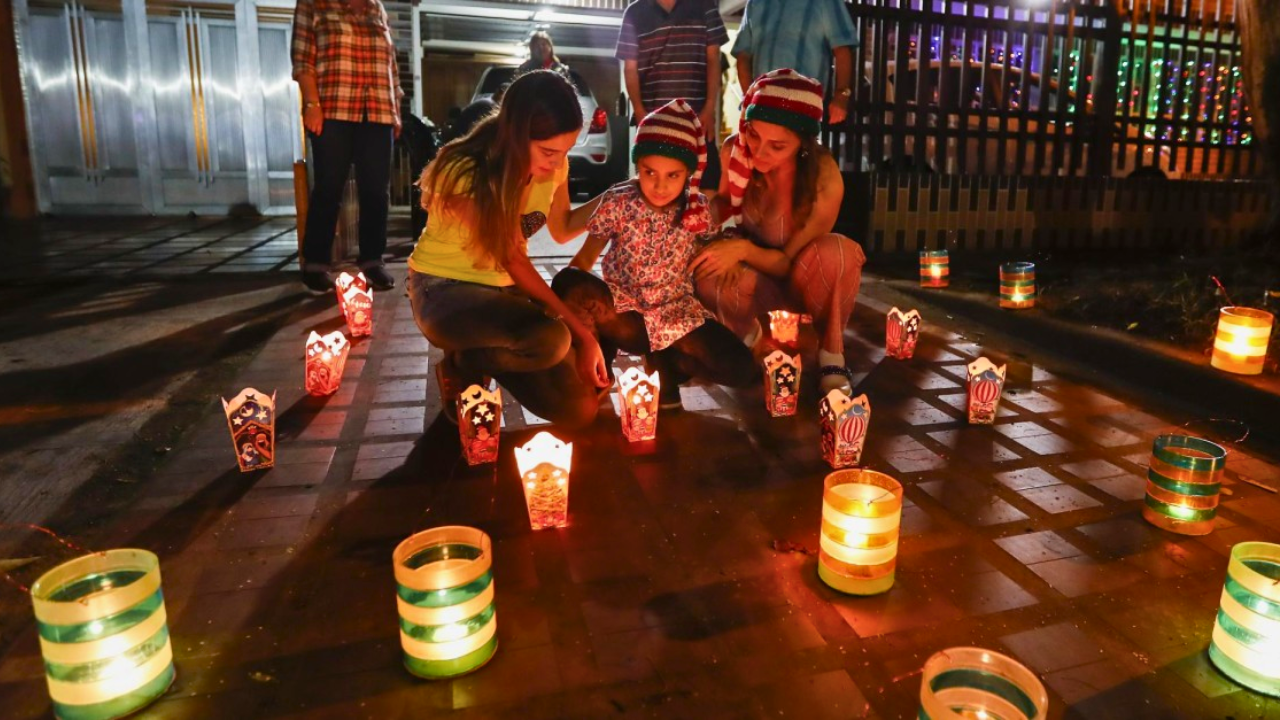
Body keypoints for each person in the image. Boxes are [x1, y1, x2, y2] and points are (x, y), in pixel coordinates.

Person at [408, 70, 609, 429]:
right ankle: (462, 365)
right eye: (548, 151)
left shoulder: (553, 167)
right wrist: (579, 331)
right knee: (552, 339)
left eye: (564, 151)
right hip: (445, 290)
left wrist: (613, 198)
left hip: (503, 295)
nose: (557, 162)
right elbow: (512, 258)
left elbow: (561, 229)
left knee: (580, 408)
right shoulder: (464, 169)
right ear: (517, 134)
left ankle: (480, 359)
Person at [553, 100, 756, 410]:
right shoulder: (619, 200)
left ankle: (670, 365)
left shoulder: (697, 208)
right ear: (638, 166)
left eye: (672, 176)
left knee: (742, 369)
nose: (660, 186)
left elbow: (715, 254)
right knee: (569, 283)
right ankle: (598, 366)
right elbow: (582, 261)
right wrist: (576, 322)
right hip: (625, 314)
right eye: (650, 172)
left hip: (676, 318)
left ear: (688, 172)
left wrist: (736, 259)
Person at [692, 69, 866, 393]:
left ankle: (832, 353)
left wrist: (742, 251)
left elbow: (788, 262)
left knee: (838, 252)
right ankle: (751, 341)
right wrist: (693, 212)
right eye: (755, 135)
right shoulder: (737, 152)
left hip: (804, 278)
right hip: (759, 276)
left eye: (777, 146)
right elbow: (725, 203)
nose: (758, 152)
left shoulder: (823, 179)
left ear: (802, 143)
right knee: (707, 267)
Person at [291, 0, 402, 292]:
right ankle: (315, 263)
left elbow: (391, 63)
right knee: (328, 187)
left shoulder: (376, 7)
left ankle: (371, 260)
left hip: (378, 109)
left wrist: (396, 110)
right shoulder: (314, 4)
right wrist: (311, 103)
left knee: (376, 191)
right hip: (333, 106)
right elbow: (303, 59)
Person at [615, 0, 728, 190]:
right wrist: (641, 112)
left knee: (707, 186)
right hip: (654, 120)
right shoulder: (634, 13)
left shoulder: (705, 6)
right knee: (655, 189)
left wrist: (710, 107)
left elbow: (713, 59)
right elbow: (630, 68)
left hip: (698, 119)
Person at [731, 0, 858, 125]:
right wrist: (748, 99)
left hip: (801, 104)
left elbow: (842, 48)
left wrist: (842, 94)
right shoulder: (755, 3)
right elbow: (743, 56)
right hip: (765, 103)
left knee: (798, 145)